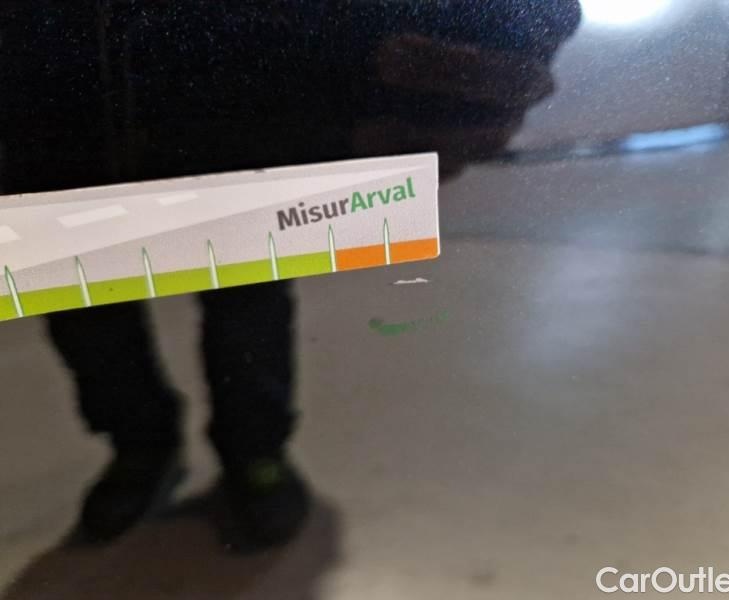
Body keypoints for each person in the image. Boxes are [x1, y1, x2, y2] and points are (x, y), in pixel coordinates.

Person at [0, 0, 581, 551]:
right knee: (86, 315)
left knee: (247, 309)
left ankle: (253, 452)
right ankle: (141, 446)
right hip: (47, 110)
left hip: (234, 102)